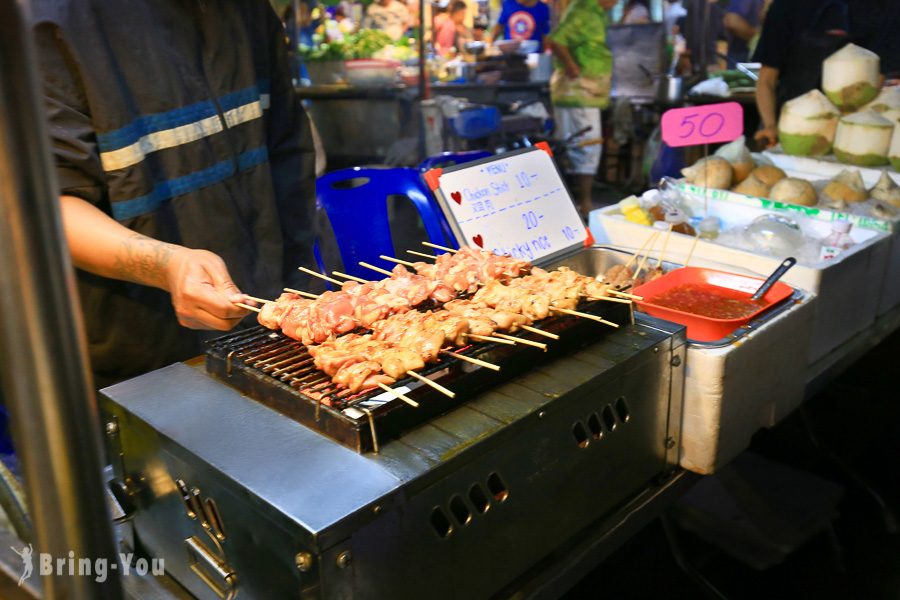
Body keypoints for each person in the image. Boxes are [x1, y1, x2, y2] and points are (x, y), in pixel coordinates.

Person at [31, 0, 318, 387]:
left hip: (269, 320)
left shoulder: (247, 12)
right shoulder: (49, 22)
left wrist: (309, 289)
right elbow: (47, 208)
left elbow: (286, 155)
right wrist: (167, 264)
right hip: (144, 353)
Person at [752, 0, 900, 148]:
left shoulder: (888, 8)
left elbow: (876, 80)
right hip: (788, 124)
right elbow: (767, 79)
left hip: (853, 132)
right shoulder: (786, 6)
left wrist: (848, 127)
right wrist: (770, 125)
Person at [546, 0, 617, 218]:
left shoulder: (599, 13)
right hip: (577, 93)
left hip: (588, 94)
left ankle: (579, 205)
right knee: (586, 146)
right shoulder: (583, 8)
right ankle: (582, 205)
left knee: (584, 147)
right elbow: (556, 40)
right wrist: (572, 67)